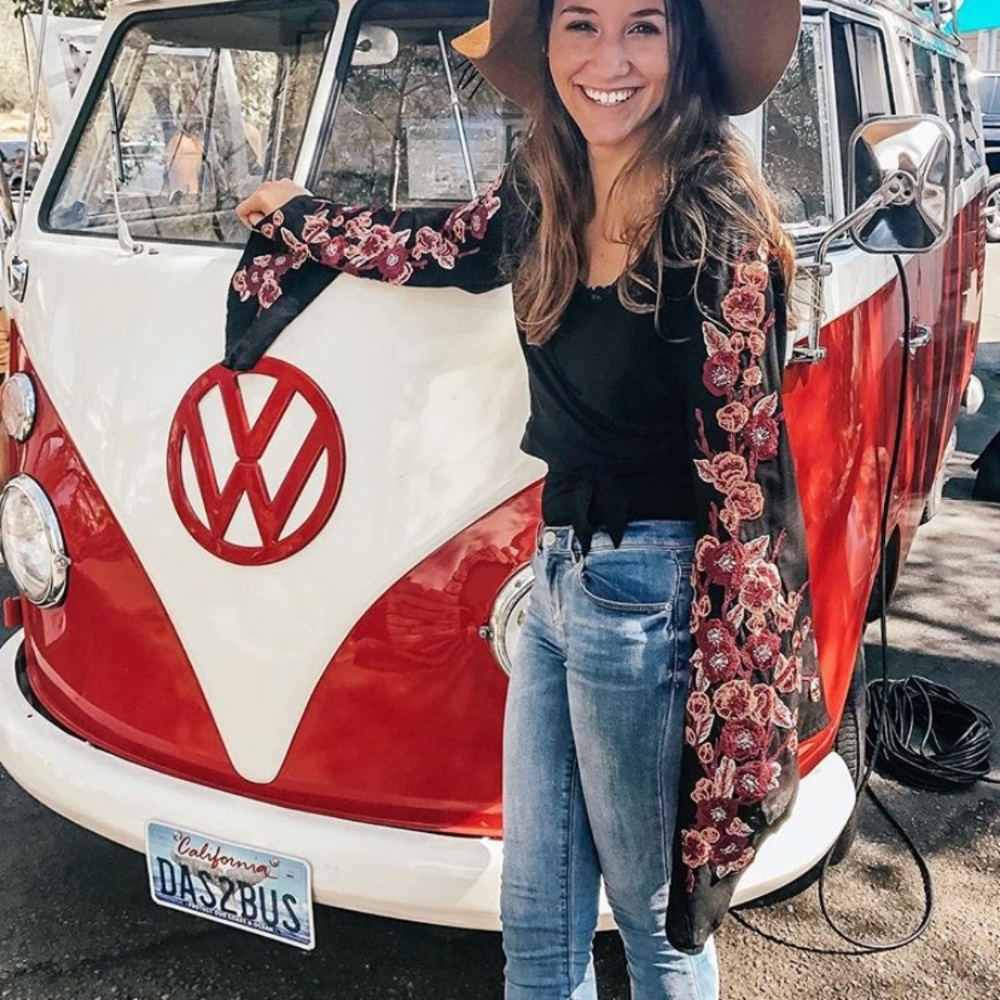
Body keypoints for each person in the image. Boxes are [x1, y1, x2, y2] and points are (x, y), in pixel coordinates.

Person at [230, 0, 828, 996]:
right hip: (555, 576)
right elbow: (434, 246)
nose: (609, 59)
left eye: (643, 26)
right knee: (536, 919)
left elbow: (747, 481)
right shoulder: (542, 186)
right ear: (546, 48)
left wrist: (740, 713)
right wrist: (295, 215)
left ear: (682, 49)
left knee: (654, 916)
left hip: (649, 594)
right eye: (579, 25)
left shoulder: (710, 220)